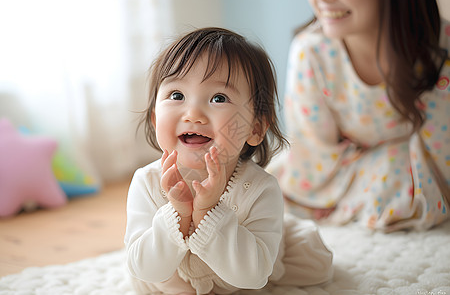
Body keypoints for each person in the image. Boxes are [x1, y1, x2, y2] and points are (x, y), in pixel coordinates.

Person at [124, 27, 333, 295]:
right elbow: (145, 269)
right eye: (177, 95)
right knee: (142, 272)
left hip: (240, 277)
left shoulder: (260, 189)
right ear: (155, 120)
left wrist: (207, 211)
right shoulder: (148, 182)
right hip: (171, 278)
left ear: (255, 128)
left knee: (315, 263)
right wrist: (178, 212)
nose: (193, 114)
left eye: (218, 98)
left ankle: (281, 231)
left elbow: (253, 276)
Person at [267, 0, 450, 232]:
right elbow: (312, 157)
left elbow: (441, 151)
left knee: (399, 177)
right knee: (265, 191)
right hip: (342, 172)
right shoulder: (312, 51)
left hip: (424, 164)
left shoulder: (441, 48)